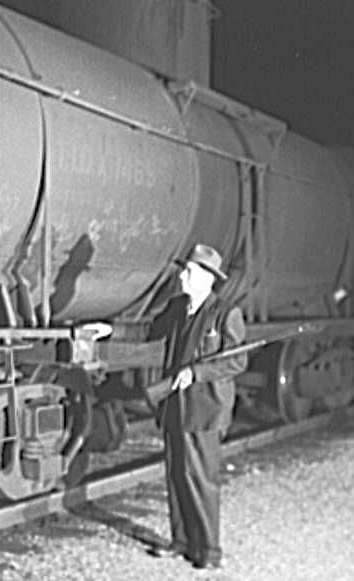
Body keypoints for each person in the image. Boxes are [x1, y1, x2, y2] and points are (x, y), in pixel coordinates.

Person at [146, 243, 247, 570]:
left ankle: (209, 550)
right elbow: (148, 332)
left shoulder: (226, 313)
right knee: (177, 474)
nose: (183, 277)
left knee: (201, 479)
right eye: (184, 270)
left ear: (207, 278)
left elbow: (237, 362)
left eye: (190, 272)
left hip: (205, 409)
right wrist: (108, 330)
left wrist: (196, 372)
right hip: (176, 406)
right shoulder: (178, 307)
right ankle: (181, 540)